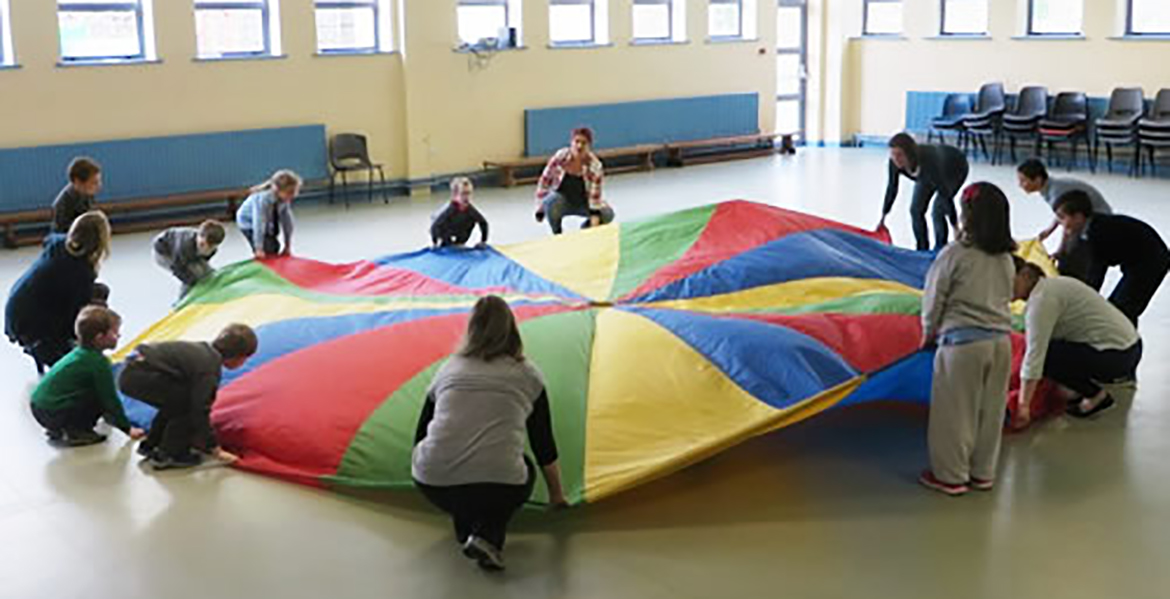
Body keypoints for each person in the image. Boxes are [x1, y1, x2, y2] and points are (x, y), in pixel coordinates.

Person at [412, 296, 567, 572]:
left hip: (433, 481)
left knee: (465, 478)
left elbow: (420, 435)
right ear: (512, 330)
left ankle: (469, 529)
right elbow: (543, 444)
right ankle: (487, 535)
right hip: (498, 485)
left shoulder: (448, 369)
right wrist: (557, 495)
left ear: (471, 329)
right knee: (519, 468)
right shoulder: (529, 375)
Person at [918, 183, 1016, 496]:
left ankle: (950, 476)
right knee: (990, 412)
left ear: (966, 215)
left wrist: (927, 331)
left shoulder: (955, 254)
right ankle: (982, 473)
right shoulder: (1006, 259)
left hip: (963, 344)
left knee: (955, 413)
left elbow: (934, 298)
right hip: (1001, 343)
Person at [1012, 258, 1142, 424]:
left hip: (1116, 356)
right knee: (1049, 350)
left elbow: (1035, 356)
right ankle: (1078, 390)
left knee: (1047, 356)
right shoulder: (1053, 286)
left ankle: (1095, 395)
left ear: (1024, 275)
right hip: (1130, 347)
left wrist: (1023, 406)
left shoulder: (1041, 301)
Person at [117, 323, 259, 470]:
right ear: (237, 356)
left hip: (132, 370)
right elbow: (200, 409)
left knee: (175, 401)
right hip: (141, 376)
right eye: (245, 359)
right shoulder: (208, 369)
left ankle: (152, 444)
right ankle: (170, 454)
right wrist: (215, 448)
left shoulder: (203, 350)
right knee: (187, 405)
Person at [5, 211, 112, 374]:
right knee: (80, 366)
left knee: (100, 292)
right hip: (31, 326)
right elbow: (75, 319)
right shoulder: (81, 272)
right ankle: (45, 350)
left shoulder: (58, 243)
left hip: (17, 308)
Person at [29, 306, 144, 446]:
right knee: (98, 397)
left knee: (86, 391)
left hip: (39, 407)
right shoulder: (97, 363)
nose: (119, 336)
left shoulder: (79, 353)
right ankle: (75, 431)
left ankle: (60, 428)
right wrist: (127, 428)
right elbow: (109, 399)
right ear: (100, 338)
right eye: (115, 332)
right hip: (53, 412)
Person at [1053, 191, 1170, 325]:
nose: (1061, 223)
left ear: (1078, 217)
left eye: (1063, 218)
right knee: (1117, 309)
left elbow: (1096, 274)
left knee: (1122, 310)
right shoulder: (1089, 228)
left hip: (1151, 263)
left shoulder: (1097, 233)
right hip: (1138, 260)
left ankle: (1127, 343)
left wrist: (1083, 300)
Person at [1016, 159, 1112, 280]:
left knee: (1072, 261)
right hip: (1081, 220)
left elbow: (1068, 225)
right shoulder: (1049, 188)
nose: (1020, 185)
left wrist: (1060, 250)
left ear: (1038, 179)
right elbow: (1062, 215)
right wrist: (1050, 230)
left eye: (1023, 180)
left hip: (1096, 222)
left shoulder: (1057, 191)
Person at [879, 133, 969, 251]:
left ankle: (940, 249)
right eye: (893, 154)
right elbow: (892, 188)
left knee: (938, 211)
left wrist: (955, 225)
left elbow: (944, 193)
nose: (896, 159)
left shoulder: (929, 160)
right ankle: (922, 248)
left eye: (900, 155)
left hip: (954, 168)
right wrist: (883, 217)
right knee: (916, 210)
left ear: (909, 154)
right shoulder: (894, 163)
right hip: (928, 174)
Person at [534, 127, 615, 235]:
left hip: (584, 202)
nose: (579, 146)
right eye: (576, 142)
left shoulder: (595, 166)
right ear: (571, 143)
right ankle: (557, 232)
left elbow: (595, 197)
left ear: (589, 146)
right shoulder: (560, 157)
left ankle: (584, 232)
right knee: (550, 202)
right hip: (561, 200)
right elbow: (544, 182)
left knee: (607, 214)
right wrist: (540, 208)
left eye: (584, 143)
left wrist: (594, 224)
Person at [152, 220, 227, 299]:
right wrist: (193, 281)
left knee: (206, 273)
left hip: (189, 253)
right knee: (191, 279)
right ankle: (181, 303)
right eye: (202, 244)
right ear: (199, 238)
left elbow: (204, 260)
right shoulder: (184, 247)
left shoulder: (211, 248)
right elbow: (179, 270)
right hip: (164, 254)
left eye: (211, 248)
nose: (206, 249)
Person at [237, 170, 300, 259]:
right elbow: (259, 223)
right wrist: (259, 248)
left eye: (294, 192)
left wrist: (287, 246)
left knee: (274, 247)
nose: (293, 196)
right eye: (290, 192)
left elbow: (287, 222)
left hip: (268, 221)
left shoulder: (284, 198)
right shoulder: (263, 199)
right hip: (248, 222)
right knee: (267, 251)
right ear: (277, 190)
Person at [430, 177, 489, 248]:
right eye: (463, 194)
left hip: (459, 228)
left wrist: (483, 241)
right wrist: (435, 243)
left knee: (471, 219)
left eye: (468, 194)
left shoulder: (470, 209)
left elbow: (483, 223)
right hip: (445, 229)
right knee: (441, 227)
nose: (466, 197)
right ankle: (446, 242)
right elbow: (435, 226)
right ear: (455, 195)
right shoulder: (450, 209)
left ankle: (460, 242)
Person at [51, 157, 103, 234]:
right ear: (77, 182)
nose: (99, 186)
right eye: (94, 183)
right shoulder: (63, 204)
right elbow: (66, 232)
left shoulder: (87, 193)